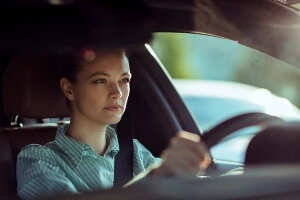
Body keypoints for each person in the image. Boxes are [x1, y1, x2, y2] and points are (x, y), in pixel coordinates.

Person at [16, 48, 211, 200]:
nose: (117, 92)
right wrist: (156, 177)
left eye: (124, 80)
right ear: (69, 89)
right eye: (101, 80)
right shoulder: (37, 159)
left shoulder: (135, 152)